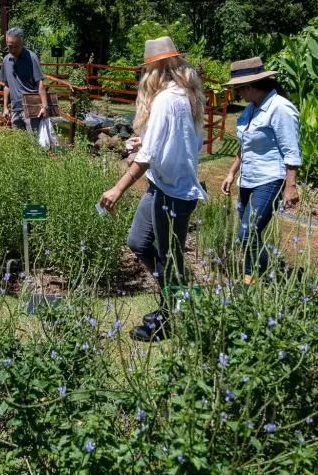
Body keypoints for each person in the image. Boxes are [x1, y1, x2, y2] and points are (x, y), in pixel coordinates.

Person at [99, 36, 207, 342]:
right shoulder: (185, 96)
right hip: (162, 185)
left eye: (144, 70)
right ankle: (178, 297)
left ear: (154, 70)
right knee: (138, 241)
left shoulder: (167, 99)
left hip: (174, 192)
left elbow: (148, 158)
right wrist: (144, 141)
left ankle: (172, 314)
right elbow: (179, 143)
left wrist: (117, 188)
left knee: (167, 257)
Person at [220, 57, 302, 283]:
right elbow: (245, 145)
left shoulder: (280, 109)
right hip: (248, 180)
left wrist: (291, 186)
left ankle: (262, 278)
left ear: (249, 86)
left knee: (248, 233)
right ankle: (251, 282)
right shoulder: (251, 109)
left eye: (238, 89)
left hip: (270, 180)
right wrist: (231, 172)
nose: (237, 94)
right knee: (247, 236)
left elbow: (291, 150)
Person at [0, 27, 48, 132]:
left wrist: (44, 106)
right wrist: (5, 108)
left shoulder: (31, 58)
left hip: (32, 106)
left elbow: (40, 83)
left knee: (34, 141)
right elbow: (6, 86)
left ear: (22, 43)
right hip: (15, 108)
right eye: (10, 47)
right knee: (19, 142)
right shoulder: (6, 60)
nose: (13, 50)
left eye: (16, 47)